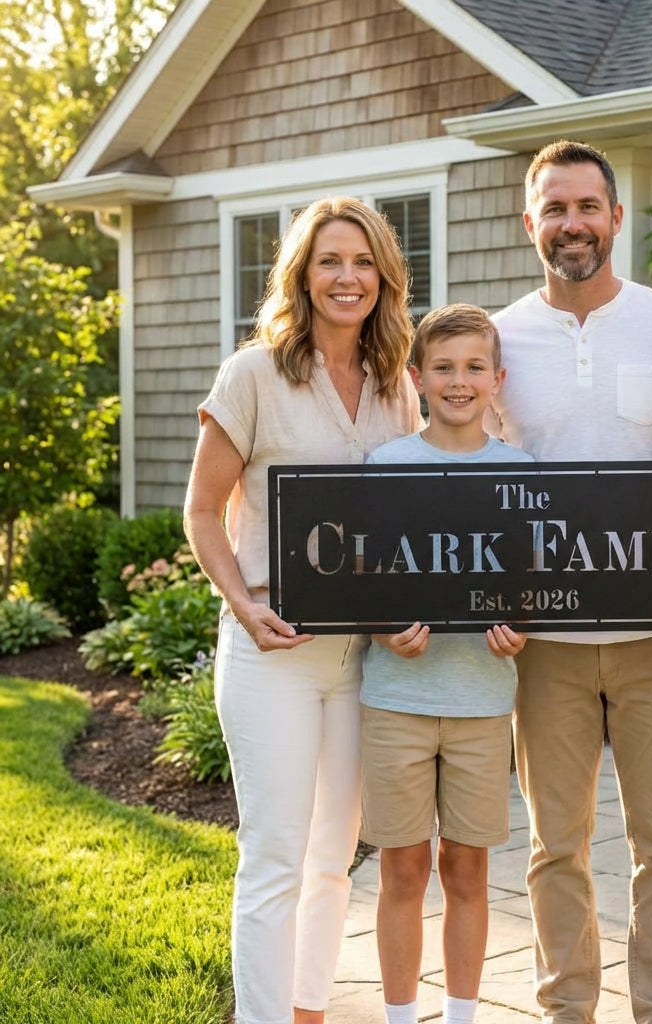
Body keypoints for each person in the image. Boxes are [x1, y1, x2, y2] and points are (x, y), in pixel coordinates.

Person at [487, 139, 652, 1024]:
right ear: (530, 221)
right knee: (556, 846)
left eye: (588, 206)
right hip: (543, 640)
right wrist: (486, 601)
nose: (572, 223)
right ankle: (566, 1009)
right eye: (555, 208)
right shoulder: (496, 339)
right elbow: (473, 485)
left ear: (617, 217)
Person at [182, 196, 423, 1024]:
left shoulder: (397, 386)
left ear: (384, 277)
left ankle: (309, 1010)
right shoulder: (253, 375)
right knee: (276, 858)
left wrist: (413, 612)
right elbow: (202, 511)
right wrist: (242, 605)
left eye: (363, 262)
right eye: (329, 261)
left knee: (332, 858)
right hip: (272, 654)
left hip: (361, 659)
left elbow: (409, 521)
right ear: (302, 275)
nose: (347, 277)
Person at [359, 302, 533, 1024]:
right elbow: (359, 582)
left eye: (473, 368)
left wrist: (522, 629)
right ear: (417, 377)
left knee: (467, 869)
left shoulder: (523, 474)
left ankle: (461, 1015)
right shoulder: (386, 466)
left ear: (497, 380)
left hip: (482, 702)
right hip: (395, 700)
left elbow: (536, 586)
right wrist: (381, 630)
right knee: (401, 869)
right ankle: (401, 1016)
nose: (459, 382)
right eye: (443, 369)